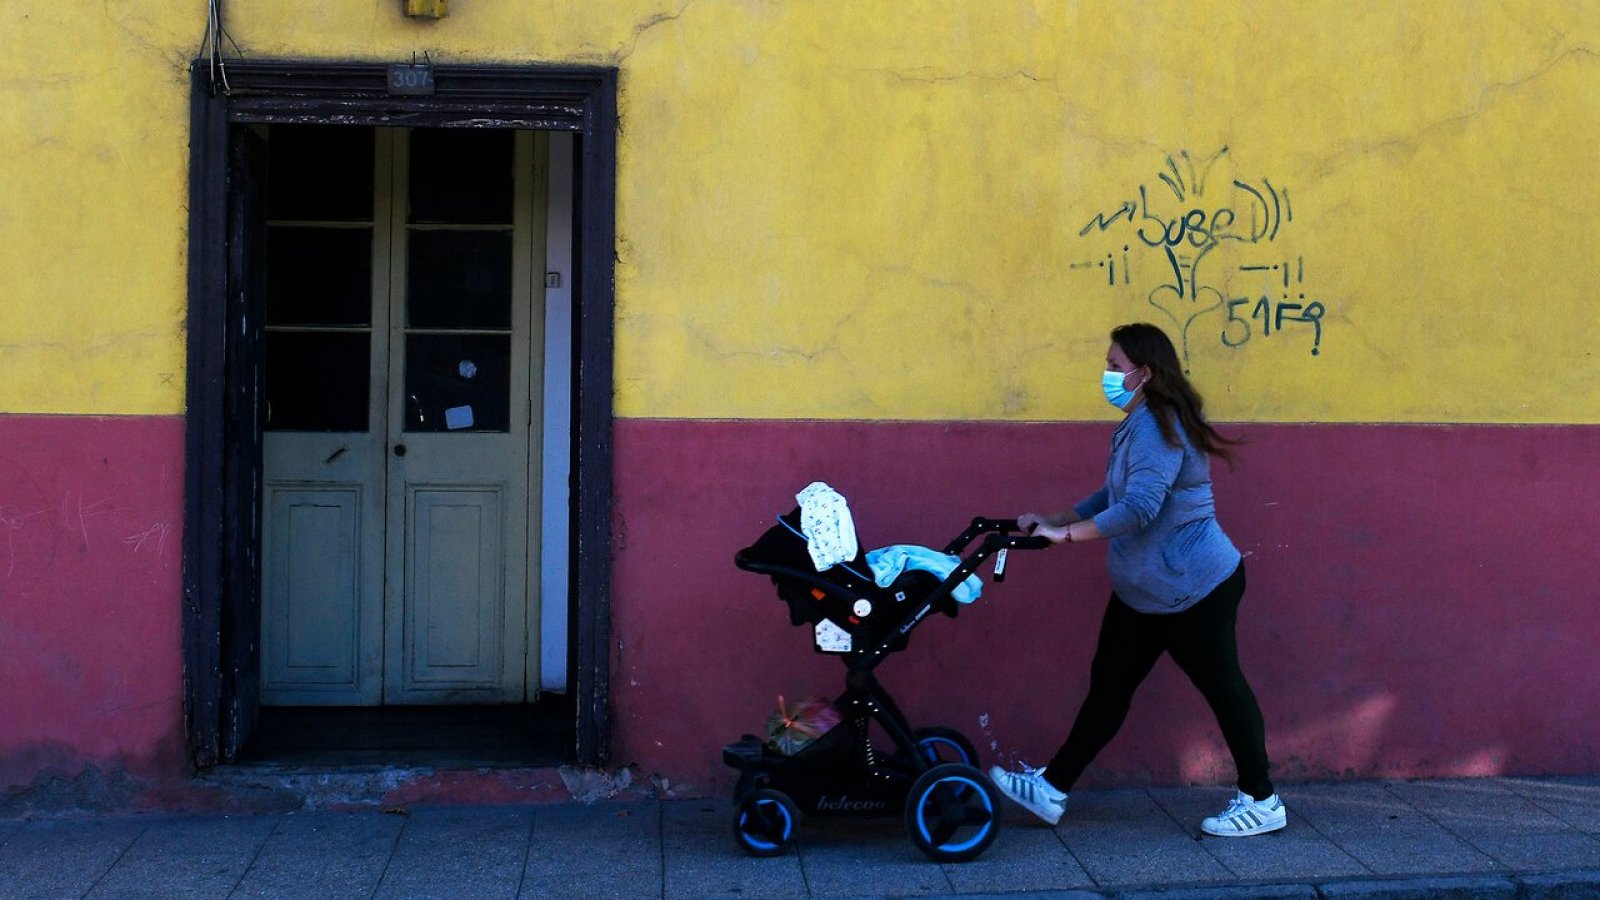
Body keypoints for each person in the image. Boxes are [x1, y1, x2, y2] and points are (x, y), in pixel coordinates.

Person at [988, 322, 1285, 838]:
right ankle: (1053, 789)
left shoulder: (1155, 425)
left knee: (1223, 689)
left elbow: (1140, 508)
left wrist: (1070, 537)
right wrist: (1056, 519)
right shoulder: (1139, 422)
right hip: (1146, 591)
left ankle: (1262, 801)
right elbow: (1112, 495)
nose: (1106, 375)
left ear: (1144, 374)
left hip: (1195, 587)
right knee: (1109, 688)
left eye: (1114, 367)